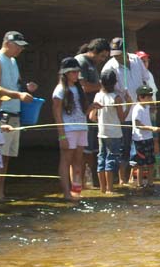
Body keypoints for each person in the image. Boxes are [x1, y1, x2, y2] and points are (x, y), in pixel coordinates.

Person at [0, 31, 36, 203]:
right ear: (7, 43)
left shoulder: (13, 61)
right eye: (18, 46)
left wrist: (27, 87)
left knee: (6, 158)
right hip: (0, 113)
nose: (20, 50)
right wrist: (18, 95)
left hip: (14, 112)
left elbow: (17, 84)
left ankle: (0, 193)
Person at [101, 37, 148, 185]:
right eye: (113, 54)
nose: (116, 57)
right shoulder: (109, 67)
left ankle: (133, 178)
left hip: (140, 110)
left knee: (140, 145)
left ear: (126, 51)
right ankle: (122, 179)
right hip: (124, 113)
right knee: (124, 147)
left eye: (118, 54)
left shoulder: (136, 60)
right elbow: (107, 90)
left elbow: (145, 78)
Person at [52, 57, 98, 200]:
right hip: (69, 130)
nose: (76, 75)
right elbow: (57, 114)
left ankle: (76, 192)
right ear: (65, 74)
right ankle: (67, 193)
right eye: (72, 72)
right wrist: (62, 136)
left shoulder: (79, 88)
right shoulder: (60, 90)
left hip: (81, 128)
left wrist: (92, 107)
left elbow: (81, 112)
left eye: (77, 72)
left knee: (78, 161)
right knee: (66, 161)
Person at [75, 38, 110, 188]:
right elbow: (84, 87)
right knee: (84, 152)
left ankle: (92, 182)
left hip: (92, 113)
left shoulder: (92, 64)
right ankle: (79, 184)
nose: (102, 60)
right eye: (102, 56)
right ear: (94, 52)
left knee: (93, 150)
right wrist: (102, 86)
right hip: (82, 112)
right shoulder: (81, 62)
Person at [89, 70, 127, 194]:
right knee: (111, 159)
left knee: (101, 159)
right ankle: (110, 189)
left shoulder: (98, 96)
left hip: (101, 133)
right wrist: (130, 105)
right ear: (115, 83)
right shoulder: (116, 98)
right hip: (114, 134)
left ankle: (103, 189)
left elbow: (91, 117)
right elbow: (122, 118)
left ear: (101, 82)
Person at [131, 85, 160, 187]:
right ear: (140, 97)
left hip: (149, 138)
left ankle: (150, 183)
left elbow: (153, 109)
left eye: (151, 97)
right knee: (140, 164)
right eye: (148, 97)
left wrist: (153, 105)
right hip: (140, 140)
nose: (150, 99)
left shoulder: (147, 106)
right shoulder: (137, 108)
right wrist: (152, 129)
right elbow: (138, 125)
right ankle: (139, 184)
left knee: (151, 163)